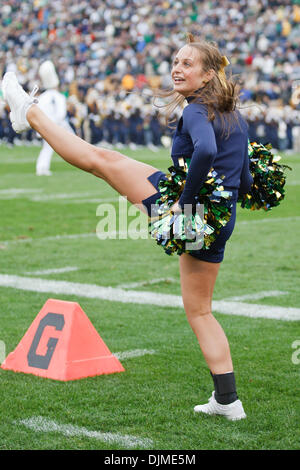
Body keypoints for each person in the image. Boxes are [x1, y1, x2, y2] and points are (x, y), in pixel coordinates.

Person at [2, 35, 253, 421]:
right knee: (200, 311)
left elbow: (204, 151)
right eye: (176, 60)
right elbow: (247, 179)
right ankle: (227, 401)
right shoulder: (234, 114)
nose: (177, 68)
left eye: (188, 64)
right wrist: (220, 201)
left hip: (192, 211)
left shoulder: (196, 112)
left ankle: (28, 113)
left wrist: (183, 204)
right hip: (219, 220)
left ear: (207, 75)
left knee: (98, 159)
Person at [35, 60, 73, 176]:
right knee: (51, 147)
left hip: (45, 125)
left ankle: (41, 167)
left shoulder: (42, 97)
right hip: (56, 126)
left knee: (47, 147)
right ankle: (42, 168)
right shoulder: (59, 97)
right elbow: (61, 114)